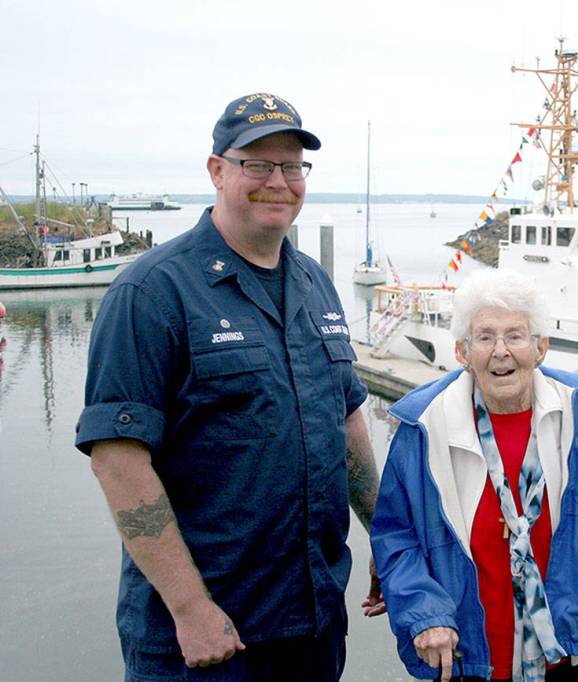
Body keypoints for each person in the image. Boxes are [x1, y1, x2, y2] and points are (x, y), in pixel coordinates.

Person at [75, 92, 383, 681]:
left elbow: (346, 422)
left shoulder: (315, 284)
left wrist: (388, 539)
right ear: (217, 171)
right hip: (207, 639)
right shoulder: (151, 292)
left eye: (291, 166)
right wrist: (190, 608)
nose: (278, 182)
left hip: (313, 620)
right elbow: (117, 459)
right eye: (257, 164)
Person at [370, 268, 578, 682]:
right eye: (485, 337)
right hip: (462, 655)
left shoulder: (577, 414)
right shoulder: (424, 425)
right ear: (462, 351)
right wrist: (426, 615)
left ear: (541, 347)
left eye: (515, 336)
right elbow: (396, 535)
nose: (501, 351)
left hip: (558, 654)